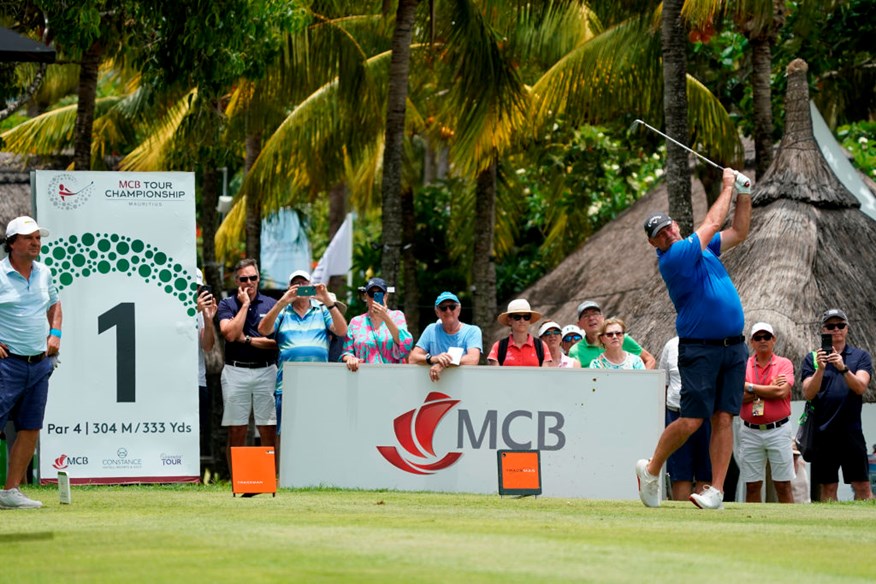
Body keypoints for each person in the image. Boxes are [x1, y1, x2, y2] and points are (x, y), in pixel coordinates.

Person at [636, 167, 751, 510]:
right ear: (654, 243)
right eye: (660, 233)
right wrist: (729, 185)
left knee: (724, 417)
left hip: (733, 347)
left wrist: (744, 196)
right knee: (690, 420)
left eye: (668, 226)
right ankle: (652, 469)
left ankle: (716, 490)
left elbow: (739, 232)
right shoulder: (675, 257)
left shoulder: (704, 250)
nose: (667, 233)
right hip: (699, 348)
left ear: (675, 224)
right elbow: (714, 223)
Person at [0, 216, 62, 509]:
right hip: (6, 363)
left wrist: (56, 334)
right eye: (28, 238)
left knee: (30, 427)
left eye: (38, 237)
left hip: (38, 364)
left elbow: (54, 304)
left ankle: (11, 491)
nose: (36, 243)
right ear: (12, 243)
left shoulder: (45, 273)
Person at [258, 270, 347, 434]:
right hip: (287, 385)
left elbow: (341, 331)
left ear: (311, 286)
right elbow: (263, 330)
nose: (300, 287)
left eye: (304, 284)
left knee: (317, 432)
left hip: (318, 386)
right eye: (296, 284)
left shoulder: (322, 310)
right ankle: (282, 462)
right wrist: (282, 302)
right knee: (285, 434)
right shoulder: (283, 312)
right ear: (290, 288)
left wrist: (328, 301)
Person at [801, 308, 873, 501]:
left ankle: (865, 526)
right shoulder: (813, 358)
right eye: (830, 326)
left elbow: (860, 387)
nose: (836, 329)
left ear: (847, 329)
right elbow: (808, 392)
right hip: (823, 432)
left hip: (852, 431)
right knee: (828, 487)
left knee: (862, 486)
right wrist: (820, 369)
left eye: (840, 325)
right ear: (823, 330)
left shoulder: (861, 356)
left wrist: (843, 368)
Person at [217, 259, 278, 471]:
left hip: (266, 370)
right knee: (236, 429)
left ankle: (270, 478)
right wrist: (244, 305)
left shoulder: (271, 304)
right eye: (244, 279)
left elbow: (277, 343)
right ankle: (238, 480)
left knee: (268, 428)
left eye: (253, 278)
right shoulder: (227, 304)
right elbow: (230, 333)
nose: (249, 282)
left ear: (259, 278)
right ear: (237, 281)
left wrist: (248, 340)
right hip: (235, 370)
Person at [739, 322, 795, 503]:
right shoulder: (743, 365)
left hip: (778, 429)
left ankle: (791, 528)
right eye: (758, 337)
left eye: (766, 337)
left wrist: (751, 388)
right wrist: (766, 388)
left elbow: (781, 392)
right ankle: (752, 527)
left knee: (783, 485)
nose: (762, 340)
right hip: (750, 431)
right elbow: (736, 397)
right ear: (752, 342)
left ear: (773, 340)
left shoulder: (784, 363)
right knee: (752, 485)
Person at [659, 336, 711, 501]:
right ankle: (680, 517)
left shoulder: (712, 343)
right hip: (676, 414)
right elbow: (664, 383)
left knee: (706, 469)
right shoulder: (671, 345)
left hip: (706, 415)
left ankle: (703, 518)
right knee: (680, 473)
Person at [409, 292, 482, 381]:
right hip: (436, 386)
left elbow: (473, 359)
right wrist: (433, 359)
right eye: (443, 308)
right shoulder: (431, 329)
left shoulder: (472, 331)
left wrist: (442, 364)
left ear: (459, 309)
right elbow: (413, 358)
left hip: (464, 387)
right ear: (437, 312)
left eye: (452, 307)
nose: (448, 311)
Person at [342, 277, 412, 370]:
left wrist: (385, 317)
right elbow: (346, 352)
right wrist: (350, 359)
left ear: (386, 296)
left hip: (391, 377)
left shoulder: (397, 316)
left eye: (379, 294)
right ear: (366, 296)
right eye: (371, 294)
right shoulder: (356, 322)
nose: (374, 298)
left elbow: (406, 344)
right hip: (363, 377)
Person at [569, 300, 656, 369]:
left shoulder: (621, 339)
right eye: (586, 316)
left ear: (602, 318)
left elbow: (650, 360)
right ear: (579, 324)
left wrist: (642, 380)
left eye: (595, 314)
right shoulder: (575, 351)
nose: (591, 318)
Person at [487, 299, 551, 366]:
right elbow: (495, 374)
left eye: (526, 317)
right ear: (509, 320)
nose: (522, 320)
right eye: (517, 317)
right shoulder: (498, 346)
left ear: (529, 320)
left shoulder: (541, 346)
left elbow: (544, 374)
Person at [195, 269, 217, 456]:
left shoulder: (202, 312)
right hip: (174, 381)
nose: (195, 292)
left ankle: (193, 473)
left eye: (198, 288)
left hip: (197, 379)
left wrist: (209, 320)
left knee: (198, 430)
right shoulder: (172, 307)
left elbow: (207, 346)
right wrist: (193, 310)